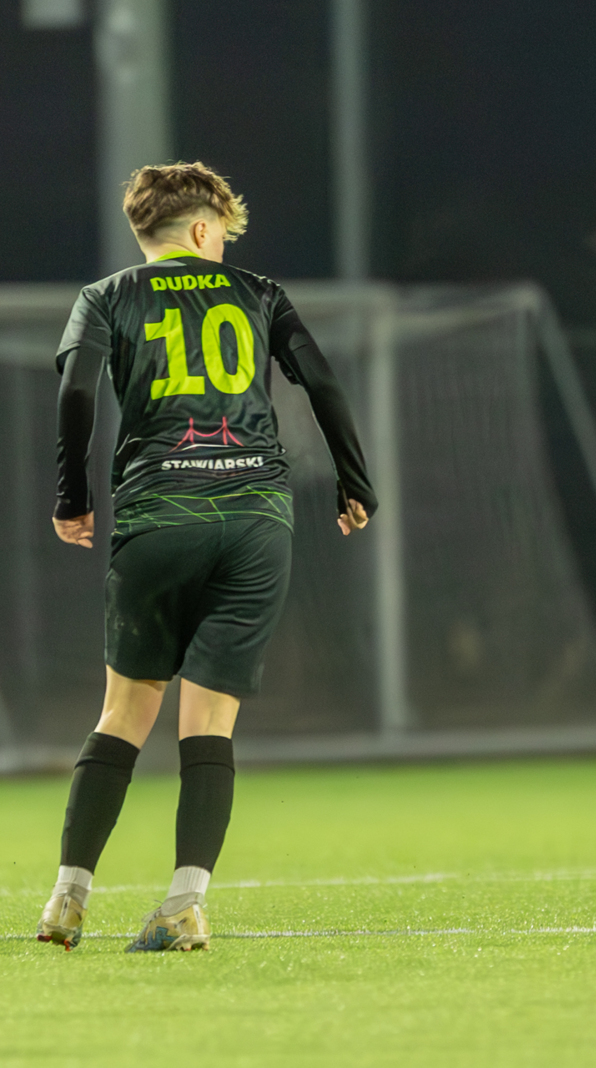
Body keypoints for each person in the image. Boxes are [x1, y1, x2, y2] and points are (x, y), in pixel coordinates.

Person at [36, 162, 377, 952]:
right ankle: (186, 901)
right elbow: (321, 381)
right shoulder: (258, 292)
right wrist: (354, 481)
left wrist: (71, 495)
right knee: (210, 726)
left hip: (159, 516)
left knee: (122, 715)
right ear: (200, 230)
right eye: (221, 232)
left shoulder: (107, 295)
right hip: (257, 519)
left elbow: (77, 392)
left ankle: (67, 899)